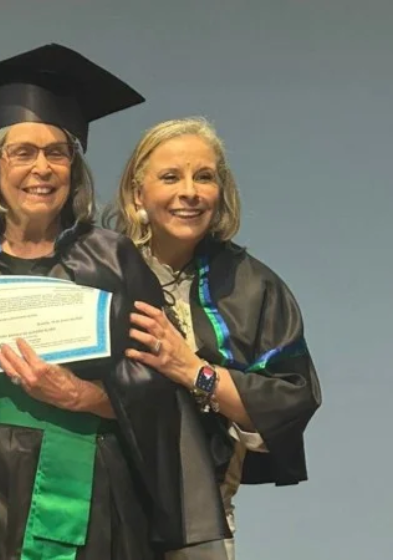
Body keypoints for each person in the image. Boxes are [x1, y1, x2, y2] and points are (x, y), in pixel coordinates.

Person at [0, 45, 230, 560]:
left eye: (57, 152)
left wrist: (81, 396)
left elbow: (160, 396)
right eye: (22, 152)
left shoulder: (114, 261)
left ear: (74, 165)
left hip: (86, 492)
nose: (41, 168)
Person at [109, 117, 322, 559]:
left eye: (204, 177)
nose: (190, 191)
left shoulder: (251, 287)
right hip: (100, 509)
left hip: (200, 517)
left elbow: (282, 410)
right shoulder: (97, 269)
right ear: (137, 193)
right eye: (171, 177)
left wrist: (192, 371)